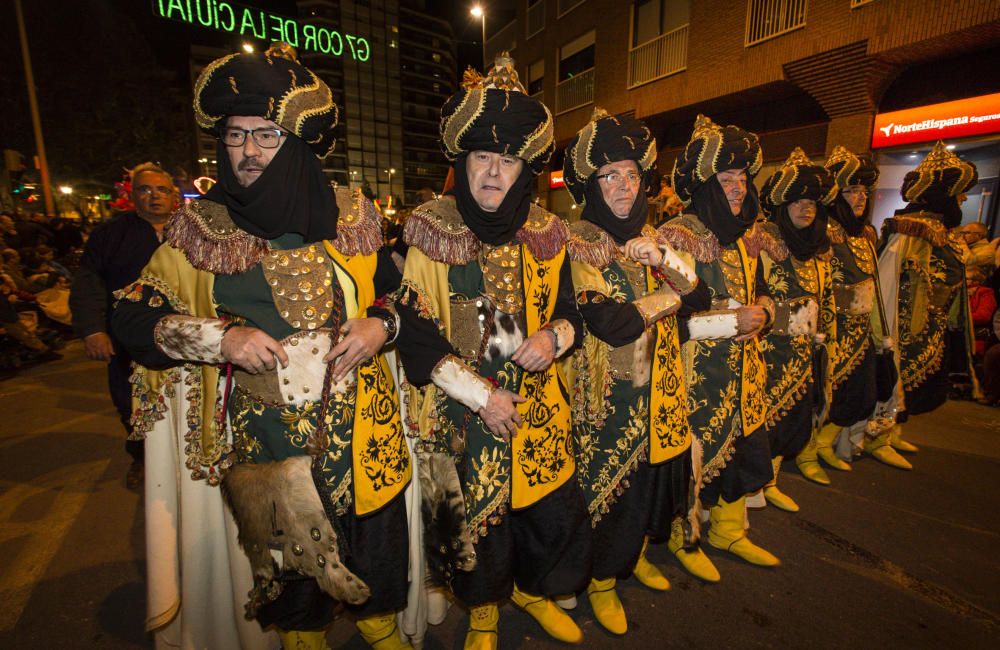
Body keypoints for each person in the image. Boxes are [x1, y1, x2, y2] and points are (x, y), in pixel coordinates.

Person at [112, 43, 412, 650]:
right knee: (292, 565)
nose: (247, 151)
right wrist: (219, 338)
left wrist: (383, 323)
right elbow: (131, 315)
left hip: (364, 431)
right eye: (235, 136)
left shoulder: (352, 214)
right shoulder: (200, 228)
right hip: (266, 444)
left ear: (296, 142)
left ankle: (381, 631)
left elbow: (406, 295)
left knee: (376, 548)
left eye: (266, 135)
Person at [396, 55, 590, 649]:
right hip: (464, 411)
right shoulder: (433, 228)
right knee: (478, 526)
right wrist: (481, 397)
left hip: (539, 410)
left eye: (507, 160)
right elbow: (414, 327)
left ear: (523, 170)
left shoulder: (550, 234)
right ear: (463, 162)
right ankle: (483, 615)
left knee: (546, 515)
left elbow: (574, 311)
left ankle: (531, 593)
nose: (493, 172)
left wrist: (553, 337)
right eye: (483, 157)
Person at [561, 108, 710, 633]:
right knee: (606, 494)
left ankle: (634, 557)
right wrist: (672, 291)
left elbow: (704, 297)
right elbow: (613, 323)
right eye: (610, 176)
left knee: (650, 485)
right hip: (608, 398)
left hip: (661, 392)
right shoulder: (579, 239)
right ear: (591, 183)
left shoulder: (653, 237)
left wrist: (668, 260)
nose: (624, 186)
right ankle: (601, 579)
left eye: (632, 175)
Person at [658, 115, 778, 572]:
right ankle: (683, 539)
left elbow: (762, 287)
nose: (738, 187)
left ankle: (730, 532)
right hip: (693, 374)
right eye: (726, 178)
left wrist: (763, 311)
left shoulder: (748, 233)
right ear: (706, 184)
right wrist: (731, 322)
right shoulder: (678, 235)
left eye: (743, 178)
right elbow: (668, 318)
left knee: (742, 448)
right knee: (690, 457)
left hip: (745, 370)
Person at [70, 162, 174, 489]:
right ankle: (143, 459)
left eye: (162, 190)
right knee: (131, 403)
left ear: (173, 195)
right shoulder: (111, 235)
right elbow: (88, 282)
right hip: (128, 342)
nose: (154, 196)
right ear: (132, 195)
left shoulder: (192, 233)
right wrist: (92, 329)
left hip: (183, 340)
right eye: (145, 189)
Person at [878, 140, 980, 454]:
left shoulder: (944, 234)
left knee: (915, 382)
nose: (963, 199)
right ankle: (879, 433)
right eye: (959, 192)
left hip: (929, 323)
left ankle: (893, 432)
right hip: (906, 321)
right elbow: (889, 275)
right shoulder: (911, 230)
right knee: (893, 375)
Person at [753, 148, 837, 508]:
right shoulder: (765, 242)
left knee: (793, 416)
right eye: (798, 201)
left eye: (813, 203)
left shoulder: (819, 249)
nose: (807, 209)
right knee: (764, 417)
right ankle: (760, 483)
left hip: (804, 351)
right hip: (769, 350)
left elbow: (826, 296)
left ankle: (772, 477)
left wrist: (825, 337)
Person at [815, 146, 898, 470]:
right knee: (824, 393)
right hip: (833, 330)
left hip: (862, 331)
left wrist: (881, 333)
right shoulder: (822, 234)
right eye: (851, 190)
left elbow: (874, 287)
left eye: (864, 191)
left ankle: (827, 442)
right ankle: (813, 446)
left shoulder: (865, 236)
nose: (860, 198)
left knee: (863, 394)